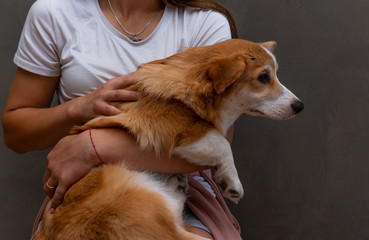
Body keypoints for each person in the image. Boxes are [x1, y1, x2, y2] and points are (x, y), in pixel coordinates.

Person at [2, 0, 242, 239]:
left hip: (183, 185)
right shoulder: (54, 13)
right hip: (88, 188)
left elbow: (218, 142)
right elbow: (16, 135)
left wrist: (95, 146)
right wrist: (78, 108)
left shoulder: (204, 22)